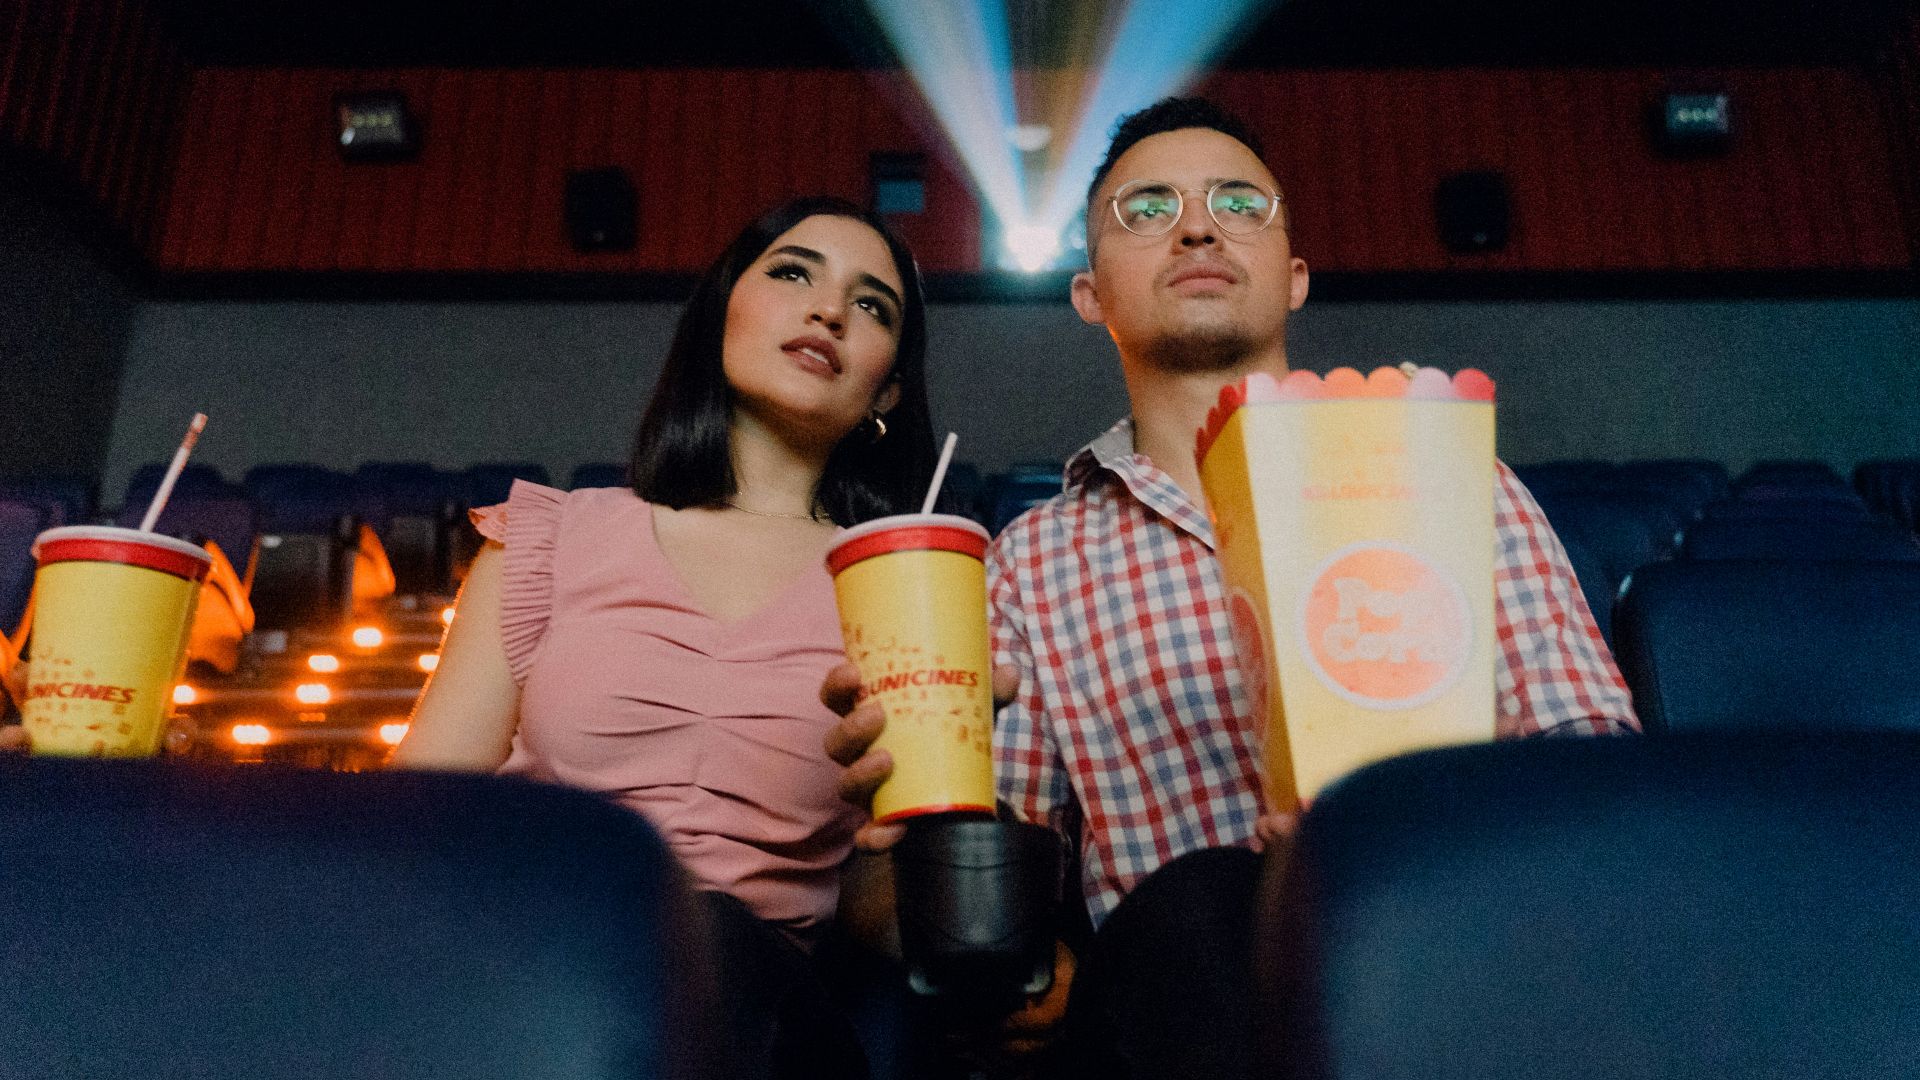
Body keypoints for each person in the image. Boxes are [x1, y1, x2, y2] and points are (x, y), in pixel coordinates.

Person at [824, 98, 1638, 1079]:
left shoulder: (1451, 475)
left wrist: (1405, 833)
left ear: (1293, 277)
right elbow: (998, 891)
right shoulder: (1032, 564)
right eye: (1148, 209)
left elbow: (1602, 781)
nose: (1198, 225)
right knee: (1204, 899)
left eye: (1239, 202)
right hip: (1197, 988)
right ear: (1089, 295)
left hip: (1468, 946)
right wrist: (904, 829)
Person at [395, 195, 937, 1080]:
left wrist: (925, 839)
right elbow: (423, 816)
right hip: (526, 966)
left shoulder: (904, 591)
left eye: (872, 305)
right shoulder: (552, 537)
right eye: (794, 273)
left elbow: (885, 923)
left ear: (886, 390)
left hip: (758, 1010)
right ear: (723, 311)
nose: (829, 310)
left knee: (708, 941)